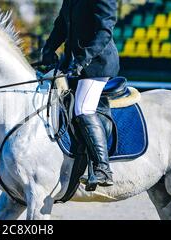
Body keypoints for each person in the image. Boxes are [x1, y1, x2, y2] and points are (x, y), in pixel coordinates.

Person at [41, 0, 120, 186]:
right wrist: (49, 48)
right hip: (73, 64)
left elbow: (104, 32)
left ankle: (103, 168)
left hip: (98, 65)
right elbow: (61, 24)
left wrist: (83, 60)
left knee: (83, 108)